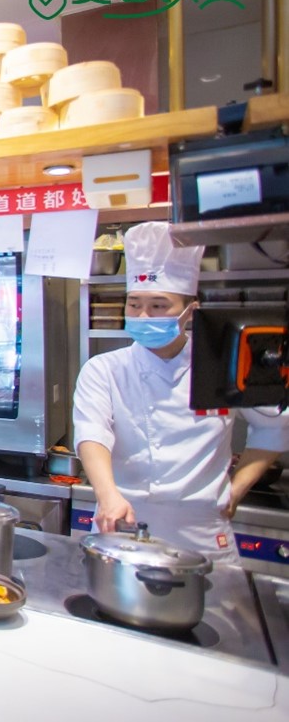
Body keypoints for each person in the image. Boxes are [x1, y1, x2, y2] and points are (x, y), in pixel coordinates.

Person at [73, 221, 289, 562]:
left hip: (202, 531)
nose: (143, 315)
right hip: (122, 520)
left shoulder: (225, 364)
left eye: (159, 305)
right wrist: (107, 494)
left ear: (192, 310)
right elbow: (92, 433)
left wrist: (236, 490)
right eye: (134, 304)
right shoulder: (104, 369)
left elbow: (274, 426)